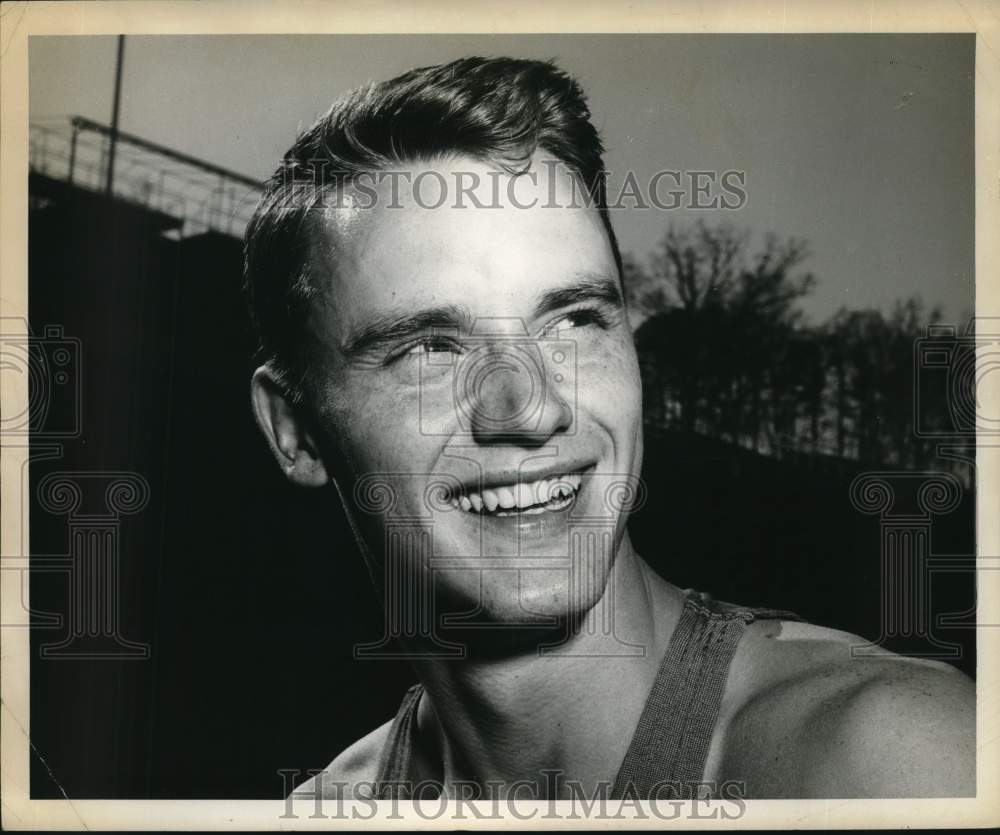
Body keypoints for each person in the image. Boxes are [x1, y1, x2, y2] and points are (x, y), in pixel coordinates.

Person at [245, 56, 974, 801]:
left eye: (573, 320)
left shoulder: (896, 763)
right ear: (294, 429)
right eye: (432, 347)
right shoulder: (327, 807)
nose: (532, 408)